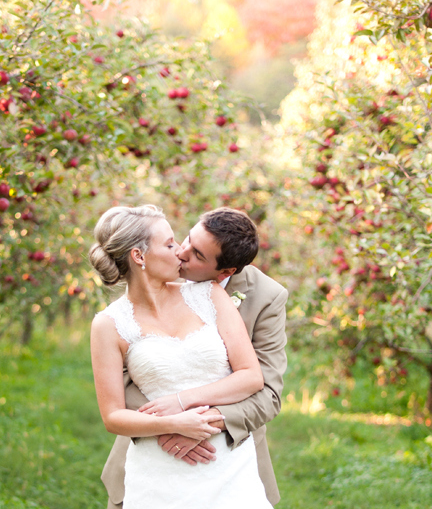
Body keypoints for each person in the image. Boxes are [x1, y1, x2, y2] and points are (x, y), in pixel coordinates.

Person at [96, 206, 288, 508]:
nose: (182, 253)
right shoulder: (113, 321)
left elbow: (266, 390)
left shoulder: (255, 296)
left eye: (197, 255)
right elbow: (118, 390)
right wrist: (169, 425)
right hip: (153, 455)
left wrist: (200, 421)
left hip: (226, 455)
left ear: (225, 272)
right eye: (181, 240)